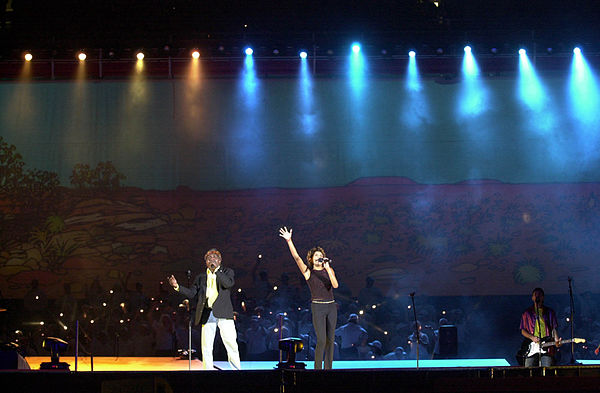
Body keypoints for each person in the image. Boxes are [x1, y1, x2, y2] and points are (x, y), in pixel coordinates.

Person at [168, 248, 241, 370]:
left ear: (220, 260)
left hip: (224, 313)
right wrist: (177, 286)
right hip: (207, 312)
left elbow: (228, 284)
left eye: (214, 258)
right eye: (209, 258)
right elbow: (192, 293)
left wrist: (216, 271)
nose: (211, 260)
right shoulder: (201, 277)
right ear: (205, 262)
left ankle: (237, 370)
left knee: (231, 343)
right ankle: (207, 371)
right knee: (206, 346)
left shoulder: (227, 272)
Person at [279, 226, 339, 370]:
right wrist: (289, 241)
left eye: (321, 254)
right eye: (316, 255)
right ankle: (318, 369)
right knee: (322, 340)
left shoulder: (329, 270)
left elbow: (335, 285)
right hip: (318, 306)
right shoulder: (308, 272)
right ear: (312, 259)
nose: (319, 257)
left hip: (331, 305)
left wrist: (329, 269)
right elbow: (297, 258)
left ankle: (328, 369)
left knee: (331, 340)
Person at [520, 287, 560, 367]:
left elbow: (554, 328)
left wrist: (556, 340)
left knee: (546, 369)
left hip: (546, 347)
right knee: (528, 369)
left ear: (543, 297)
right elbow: (523, 330)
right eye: (535, 295)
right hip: (532, 346)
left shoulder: (550, 312)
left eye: (539, 295)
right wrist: (532, 337)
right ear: (532, 298)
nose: (537, 296)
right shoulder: (527, 313)